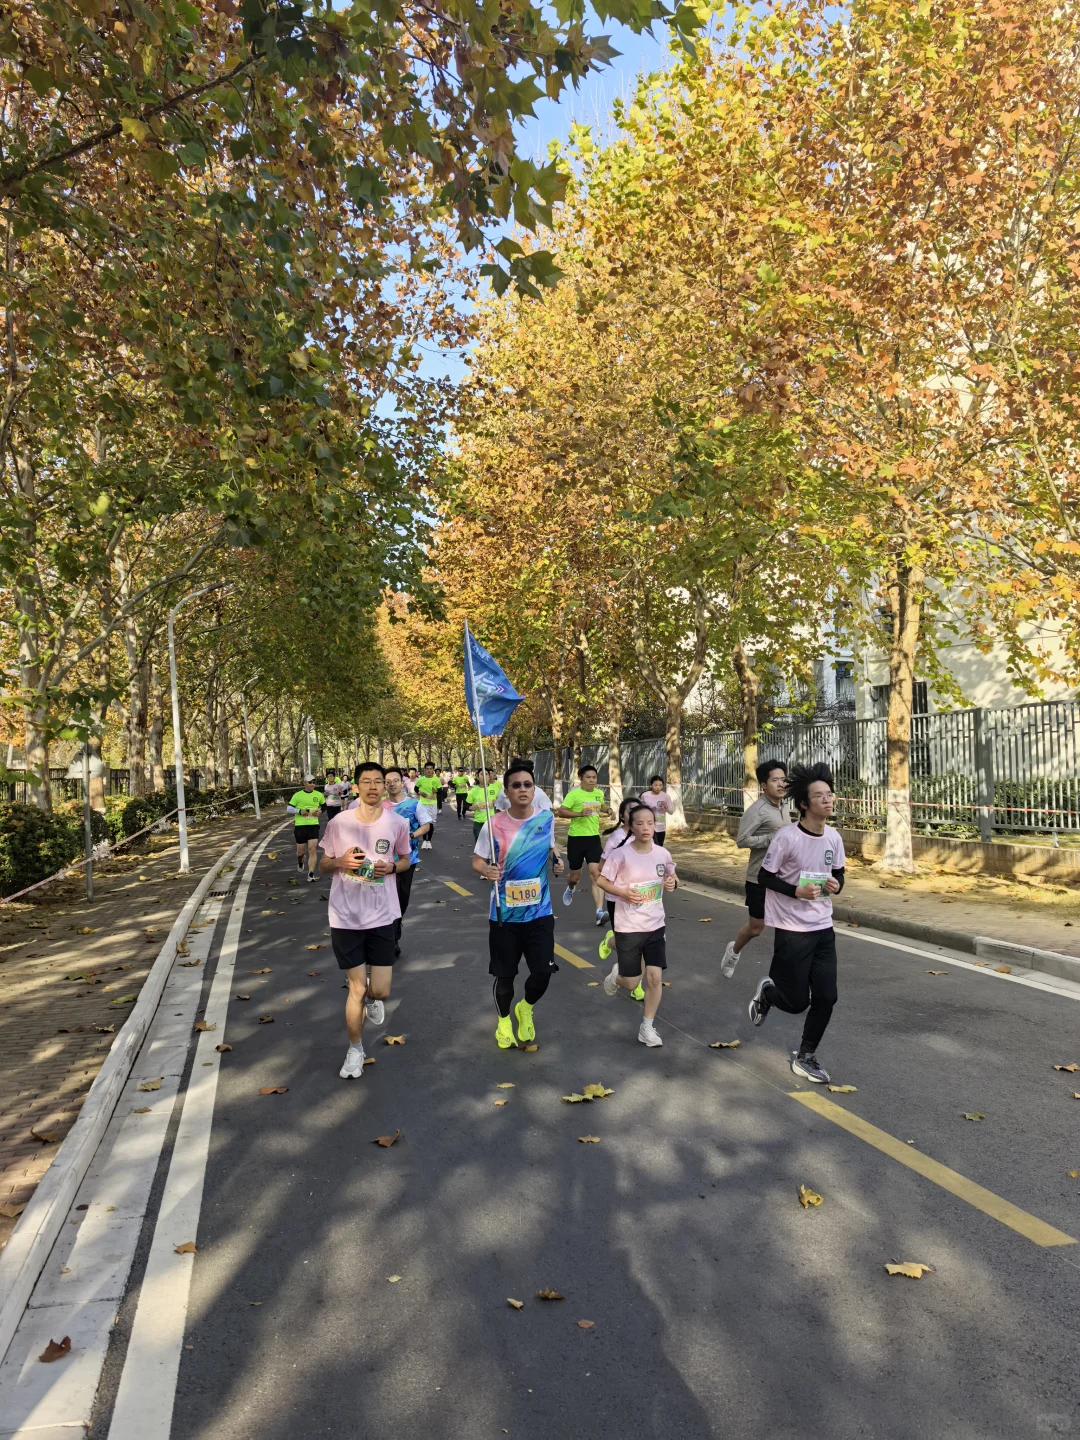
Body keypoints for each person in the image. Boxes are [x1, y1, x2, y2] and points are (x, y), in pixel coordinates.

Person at [747, 762, 845, 1085]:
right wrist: (796, 891)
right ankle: (769, 993)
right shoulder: (787, 838)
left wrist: (836, 885)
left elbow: (840, 873)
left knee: (827, 997)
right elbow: (764, 876)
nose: (828, 801)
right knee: (797, 1001)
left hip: (822, 927)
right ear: (804, 803)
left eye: (830, 795)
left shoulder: (833, 837)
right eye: (820, 796)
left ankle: (805, 1055)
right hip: (791, 929)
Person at [319, 761, 411, 1078]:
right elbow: (323, 864)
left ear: (385, 787)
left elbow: (405, 859)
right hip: (345, 916)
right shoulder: (339, 823)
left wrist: (394, 868)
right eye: (366, 781)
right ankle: (355, 1050)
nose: (372, 786)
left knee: (380, 990)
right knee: (355, 989)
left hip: (383, 914)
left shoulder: (397, 823)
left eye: (378, 781)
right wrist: (341, 861)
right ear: (356, 787)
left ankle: (373, 999)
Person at [472, 763, 564, 1049]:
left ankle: (526, 1007)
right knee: (505, 974)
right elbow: (477, 859)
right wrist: (485, 870)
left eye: (527, 784)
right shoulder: (494, 823)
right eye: (516, 785)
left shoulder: (546, 818)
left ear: (534, 789)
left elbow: (551, 847)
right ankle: (502, 1021)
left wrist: (557, 861)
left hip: (540, 911)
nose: (523, 789)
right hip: (504, 914)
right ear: (507, 792)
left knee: (542, 971)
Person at [597, 803, 677, 1048]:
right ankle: (616, 976)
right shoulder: (620, 855)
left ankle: (647, 1027)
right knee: (632, 982)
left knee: (654, 978)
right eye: (640, 823)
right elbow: (601, 880)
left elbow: (671, 875)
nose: (646, 828)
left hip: (655, 924)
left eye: (650, 823)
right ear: (630, 826)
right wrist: (623, 892)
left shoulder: (662, 853)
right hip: (629, 925)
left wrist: (672, 882)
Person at [721, 760, 790, 978]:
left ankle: (787, 972)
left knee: (788, 925)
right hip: (759, 877)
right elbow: (742, 841)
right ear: (764, 785)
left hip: (784, 877)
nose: (781, 784)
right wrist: (770, 837)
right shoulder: (757, 810)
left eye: (783, 779)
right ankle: (733, 952)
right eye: (775, 780)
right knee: (756, 928)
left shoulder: (785, 806)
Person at [360, 766, 433, 963]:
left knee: (401, 899)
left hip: (406, 860)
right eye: (387, 782)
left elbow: (426, 824)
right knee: (383, 899)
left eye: (395, 781)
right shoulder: (379, 805)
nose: (391, 784)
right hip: (381, 861)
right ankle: (389, 940)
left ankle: (395, 929)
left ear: (402, 783)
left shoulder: (413, 805)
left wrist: (411, 835)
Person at [556, 763, 608, 925]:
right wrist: (579, 813)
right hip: (576, 839)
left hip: (593, 838)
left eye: (594, 777)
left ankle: (599, 912)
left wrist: (609, 809)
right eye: (588, 777)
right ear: (581, 779)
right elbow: (561, 811)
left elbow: (602, 805)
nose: (592, 780)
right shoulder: (574, 794)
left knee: (596, 874)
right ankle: (570, 886)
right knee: (575, 877)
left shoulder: (599, 793)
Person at [287, 775, 324, 882]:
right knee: (300, 853)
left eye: (313, 782)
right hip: (300, 826)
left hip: (313, 825)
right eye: (309, 782)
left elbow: (324, 806)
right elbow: (289, 808)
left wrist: (320, 811)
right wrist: (299, 811)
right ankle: (300, 861)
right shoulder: (297, 795)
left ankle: (311, 874)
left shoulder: (319, 795)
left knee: (312, 850)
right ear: (304, 783)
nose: (312, 784)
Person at [638, 776, 675, 848]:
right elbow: (639, 809)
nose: (658, 787)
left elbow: (671, 811)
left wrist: (666, 806)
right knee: (649, 846)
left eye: (660, 785)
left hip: (660, 825)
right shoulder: (645, 795)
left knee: (659, 846)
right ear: (651, 785)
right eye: (655, 785)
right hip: (647, 825)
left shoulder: (665, 796)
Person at [467, 767, 502, 842]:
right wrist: (473, 807)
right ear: (478, 777)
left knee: (492, 845)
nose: (484, 776)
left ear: (489, 777)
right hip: (479, 823)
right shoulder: (473, 791)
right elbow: (467, 806)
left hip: (492, 821)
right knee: (480, 845)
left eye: (486, 774)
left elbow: (501, 805)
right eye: (482, 774)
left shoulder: (496, 788)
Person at [414, 762, 439, 847]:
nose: (429, 771)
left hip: (432, 804)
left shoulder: (436, 780)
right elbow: (415, 788)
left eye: (430, 769)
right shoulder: (421, 779)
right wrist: (419, 793)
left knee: (431, 823)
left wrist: (436, 791)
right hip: (423, 804)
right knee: (424, 822)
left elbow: (440, 791)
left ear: (433, 770)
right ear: (425, 770)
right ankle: (424, 840)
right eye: (427, 769)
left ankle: (429, 841)